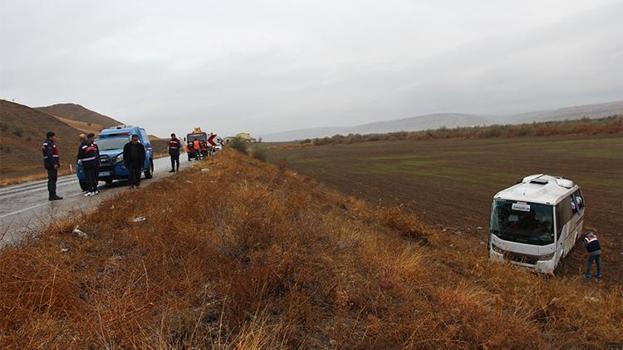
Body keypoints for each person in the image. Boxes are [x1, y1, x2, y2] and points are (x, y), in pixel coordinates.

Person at [42, 131, 63, 201]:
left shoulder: (47, 143)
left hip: (49, 164)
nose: (55, 138)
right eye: (54, 136)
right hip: (51, 164)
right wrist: (54, 163)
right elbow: (50, 155)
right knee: (52, 179)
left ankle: (52, 194)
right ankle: (52, 195)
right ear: (51, 137)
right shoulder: (49, 144)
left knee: (52, 179)